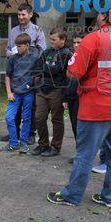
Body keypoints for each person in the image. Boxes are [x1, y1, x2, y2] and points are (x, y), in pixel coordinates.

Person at [48, 11, 111, 208]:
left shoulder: (94, 38)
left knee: (85, 154)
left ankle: (72, 195)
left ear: (104, 18)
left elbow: (73, 72)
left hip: (97, 106)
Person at [5, 3, 47, 145]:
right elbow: (8, 49)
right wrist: (11, 53)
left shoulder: (37, 30)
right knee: (15, 104)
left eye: (23, 14)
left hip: (30, 74)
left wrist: (28, 54)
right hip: (16, 72)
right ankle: (14, 133)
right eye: (19, 14)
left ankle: (30, 134)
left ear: (30, 14)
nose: (21, 17)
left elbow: (42, 51)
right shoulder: (13, 31)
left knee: (30, 107)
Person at [33, 27, 71, 157]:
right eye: (51, 39)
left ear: (63, 40)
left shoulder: (67, 54)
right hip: (42, 89)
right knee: (39, 117)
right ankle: (43, 144)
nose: (51, 42)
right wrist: (45, 70)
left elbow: (58, 70)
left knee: (57, 119)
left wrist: (48, 68)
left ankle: (55, 146)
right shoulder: (47, 52)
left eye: (54, 39)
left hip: (57, 90)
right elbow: (38, 66)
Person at [3, 33, 42, 153]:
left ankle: (24, 143)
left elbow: (38, 75)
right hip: (15, 93)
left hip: (28, 93)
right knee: (9, 118)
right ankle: (13, 142)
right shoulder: (13, 59)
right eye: (16, 46)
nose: (17, 49)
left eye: (19, 46)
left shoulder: (35, 58)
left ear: (27, 45)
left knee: (26, 118)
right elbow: (8, 76)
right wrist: (9, 92)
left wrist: (34, 86)